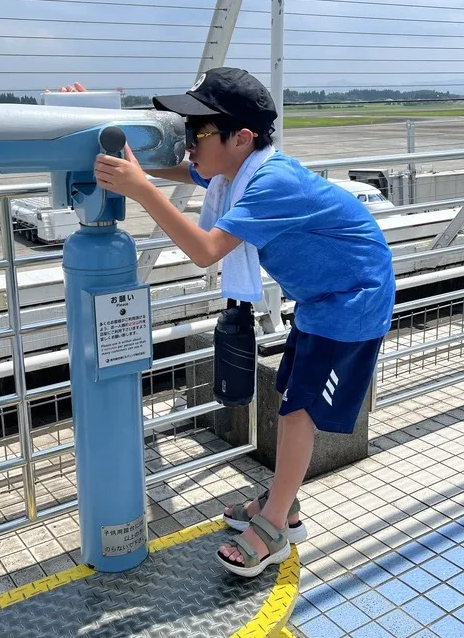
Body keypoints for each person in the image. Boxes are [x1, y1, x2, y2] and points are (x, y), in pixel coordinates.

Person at [58, 69, 395, 578]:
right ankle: (284, 504)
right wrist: (102, 121)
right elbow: (177, 169)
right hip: (322, 297)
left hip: (352, 302)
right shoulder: (236, 171)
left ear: (241, 137)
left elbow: (205, 249)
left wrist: (143, 190)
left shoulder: (271, 182)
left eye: (198, 132)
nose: (188, 143)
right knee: (290, 403)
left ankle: (276, 526)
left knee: (299, 408)